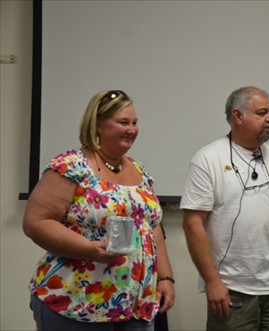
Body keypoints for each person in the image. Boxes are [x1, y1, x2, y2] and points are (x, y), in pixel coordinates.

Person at [23, 90, 175, 331]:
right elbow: (36, 223)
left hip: (133, 304)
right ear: (98, 125)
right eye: (123, 122)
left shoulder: (140, 171)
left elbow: (153, 227)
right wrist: (89, 249)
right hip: (76, 302)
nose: (132, 129)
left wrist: (165, 277)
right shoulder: (71, 165)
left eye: (135, 123)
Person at [180, 86, 269, 331]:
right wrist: (211, 281)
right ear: (238, 116)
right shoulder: (208, 158)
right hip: (232, 289)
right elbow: (192, 223)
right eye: (262, 113)